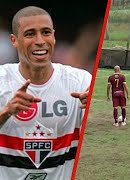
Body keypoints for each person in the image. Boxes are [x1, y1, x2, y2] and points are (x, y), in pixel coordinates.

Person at [0, 6, 91, 179]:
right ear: (14, 40)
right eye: (30, 34)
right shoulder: (1, 80)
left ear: (54, 37)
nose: (40, 40)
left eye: (46, 32)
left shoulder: (80, 82)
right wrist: (6, 112)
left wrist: (93, 111)